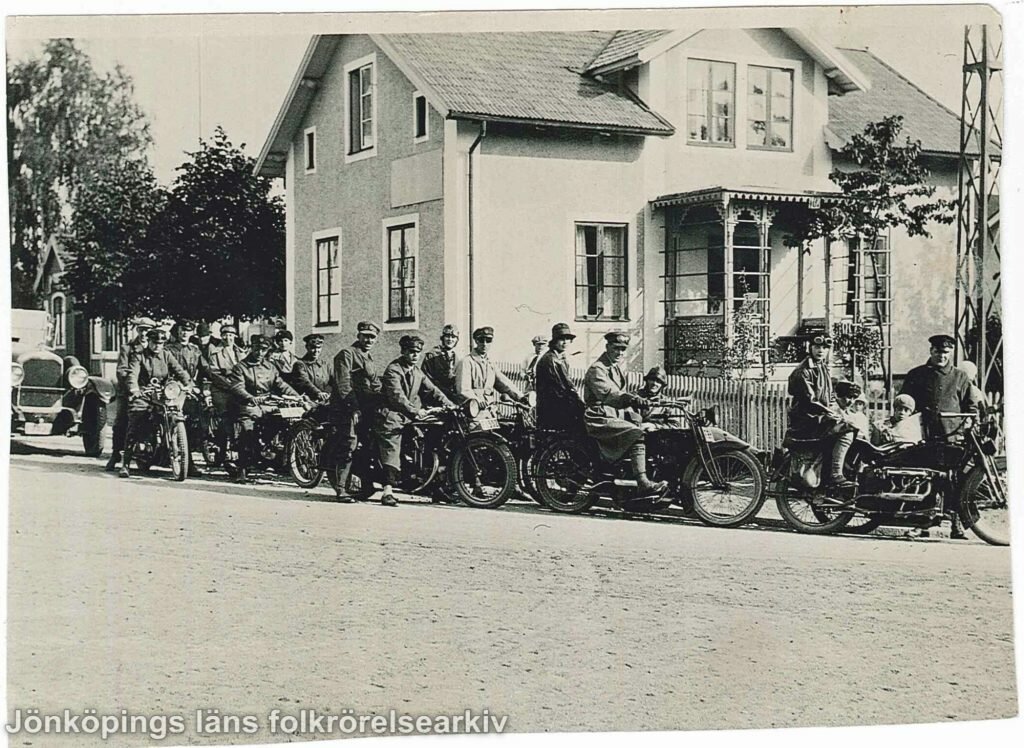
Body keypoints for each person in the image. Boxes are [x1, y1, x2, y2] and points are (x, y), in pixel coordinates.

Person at [583, 331, 668, 498]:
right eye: (616, 348)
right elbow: (609, 394)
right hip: (598, 416)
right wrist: (633, 399)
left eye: (623, 349)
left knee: (640, 426)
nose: (620, 353)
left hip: (612, 414)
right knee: (637, 433)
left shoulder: (614, 367)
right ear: (607, 347)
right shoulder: (597, 369)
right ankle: (643, 483)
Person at [375, 334, 455, 506]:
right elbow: (397, 397)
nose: (415, 355)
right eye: (411, 352)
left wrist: (450, 404)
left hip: (409, 416)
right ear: (403, 351)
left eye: (418, 352)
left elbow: (433, 390)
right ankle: (387, 491)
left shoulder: (417, 371)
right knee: (392, 445)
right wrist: (415, 412)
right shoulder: (393, 370)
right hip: (392, 414)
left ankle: (434, 486)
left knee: (428, 440)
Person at [224, 334, 303, 483]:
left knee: (283, 421)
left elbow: (281, 384)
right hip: (246, 404)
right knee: (247, 431)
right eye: (257, 349)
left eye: (263, 350)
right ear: (251, 348)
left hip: (267, 404)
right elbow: (236, 386)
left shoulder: (270, 367)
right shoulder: (240, 367)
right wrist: (250, 397)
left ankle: (272, 452)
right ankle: (242, 469)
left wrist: (297, 396)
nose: (260, 353)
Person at [120, 328, 194, 479]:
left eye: (161, 343)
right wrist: (134, 388)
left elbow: (179, 370)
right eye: (155, 342)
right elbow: (132, 373)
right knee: (136, 418)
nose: (157, 346)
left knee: (175, 412)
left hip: (163, 392)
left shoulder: (166, 355)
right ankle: (125, 463)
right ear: (149, 342)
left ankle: (180, 453)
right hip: (144, 393)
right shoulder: (139, 356)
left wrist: (188, 384)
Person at [786, 334, 855, 489]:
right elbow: (810, 401)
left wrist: (837, 411)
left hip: (818, 417)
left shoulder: (822, 366)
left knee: (853, 427)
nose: (821, 350)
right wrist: (831, 413)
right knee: (848, 431)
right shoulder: (803, 371)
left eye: (825, 347)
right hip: (806, 420)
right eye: (817, 347)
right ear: (810, 348)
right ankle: (836, 474)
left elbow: (829, 395)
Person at [324, 321, 383, 502]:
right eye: (365, 336)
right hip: (345, 408)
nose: (368, 340)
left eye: (372, 337)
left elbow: (374, 384)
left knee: (367, 445)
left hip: (364, 408)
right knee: (349, 444)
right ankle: (341, 489)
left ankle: (365, 484)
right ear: (358, 336)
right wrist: (354, 408)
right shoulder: (346, 354)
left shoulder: (368, 357)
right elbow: (343, 384)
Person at [900, 334, 982, 440]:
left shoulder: (960, 377)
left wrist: (970, 422)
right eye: (938, 351)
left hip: (952, 435)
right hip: (922, 434)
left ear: (950, 353)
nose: (942, 356)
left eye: (945, 352)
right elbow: (903, 401)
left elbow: (971, 407)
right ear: (931, 351)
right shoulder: (916, 375)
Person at [105, 317, 157, 472]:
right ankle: (116, 454)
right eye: (141, 330)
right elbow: (122, 370)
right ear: (137, 330)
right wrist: (133, 386)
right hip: (129, 391)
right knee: (122, 421)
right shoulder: (127, 348)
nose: (144, 333)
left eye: (147, 330)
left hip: (151, 391)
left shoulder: (156, 347)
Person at [165, 319, 208, 476]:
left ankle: (188, 461)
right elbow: (166, 370)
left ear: (192, 333)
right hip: (173, 389)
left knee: (194, 425)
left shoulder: (195, 350)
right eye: (182, 330)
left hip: (190, 390)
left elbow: (205, 369)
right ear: (178, 331)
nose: (184, 333)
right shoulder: (168, 349)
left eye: (188, 331)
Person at [455, 326, 528, 411]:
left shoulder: (490, 364)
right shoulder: (466, 362)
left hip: (489, 408)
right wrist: (476, 400)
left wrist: (521, 397)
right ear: (476, 341)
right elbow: (463, 389)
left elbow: (503, 383)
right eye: (481, 340)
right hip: (471, 409)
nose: (485, 344)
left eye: (488, 340)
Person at [535, 322, 585, 433]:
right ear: (555, 341)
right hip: (553, 408)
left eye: (568, 339)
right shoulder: (551, 360)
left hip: (557, 406)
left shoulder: (560, 358)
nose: (565, 342)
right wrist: (579, 404)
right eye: (561, 339)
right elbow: (563, 386)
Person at [421, 324, 462, 401]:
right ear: (442, 338)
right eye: (447, 336)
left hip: (452, 398)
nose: (450, 339)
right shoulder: (432, 356)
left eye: (453, 337)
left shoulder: (456, 357)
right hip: (436, 397)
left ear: (457, 340)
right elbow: (427, 379)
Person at [291, 333, 333, 403]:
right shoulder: (300, 365)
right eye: (313, 347)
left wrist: (328, 393)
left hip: (324, 400)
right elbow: (305, 382)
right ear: (307, 347)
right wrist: (318, 393)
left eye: (319, 348)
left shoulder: (325, 365)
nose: (316, 351)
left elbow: (334, 381)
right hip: (306, 401)